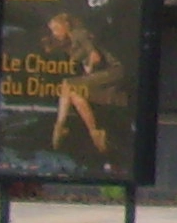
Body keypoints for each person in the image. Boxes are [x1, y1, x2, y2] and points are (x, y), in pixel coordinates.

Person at [42, 10, 123, 163]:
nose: (54, 33)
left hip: (112, 71)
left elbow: (95, 57)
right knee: (75, 95)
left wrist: (89, 68)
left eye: (56, 29)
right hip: (101, 74)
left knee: (68, 84)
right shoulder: (70, 42)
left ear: (66, 25)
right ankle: (95, 132)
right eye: (52, 30)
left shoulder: (79, 33)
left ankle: (59, 126)